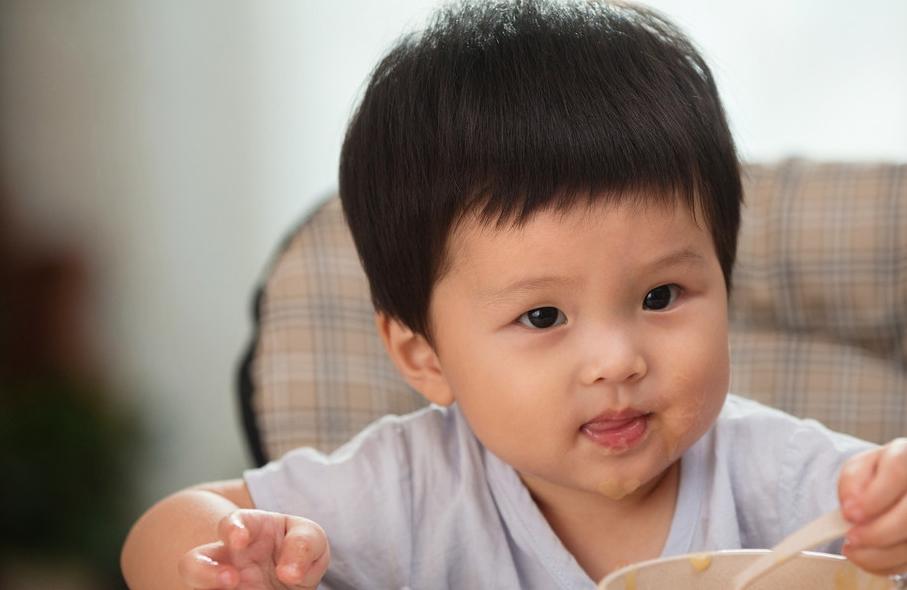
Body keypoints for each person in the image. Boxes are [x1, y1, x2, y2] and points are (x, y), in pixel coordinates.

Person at [120, 1, 907, 588]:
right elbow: (163, 527)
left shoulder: (780, 479)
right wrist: (228, 562)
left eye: (662, 295)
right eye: (542, 316)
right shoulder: (411, 489)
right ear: (422, 355)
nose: (616, 360)